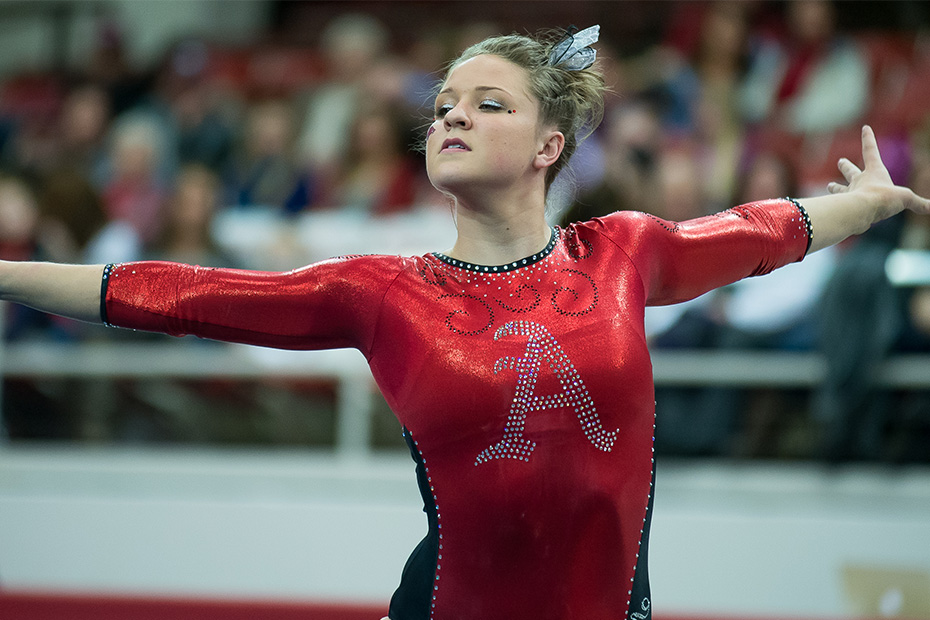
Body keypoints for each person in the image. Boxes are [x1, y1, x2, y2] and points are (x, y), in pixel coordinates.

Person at [0, 26, 927, 620]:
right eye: (443, 107)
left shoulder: (623, 253)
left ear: (549, 145)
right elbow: (188, 294)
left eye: (489, 105)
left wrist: (868, 206)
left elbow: (760, 231)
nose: (454, 118)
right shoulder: (380, 292)